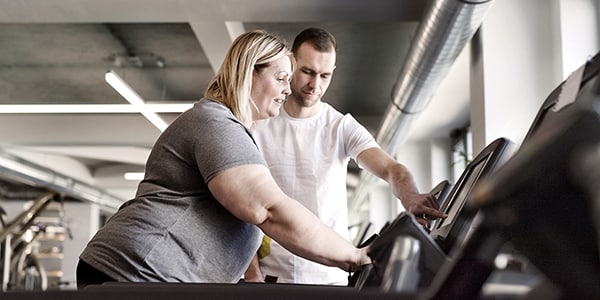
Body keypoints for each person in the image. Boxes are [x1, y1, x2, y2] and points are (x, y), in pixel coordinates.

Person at [76, 30, 371, 289]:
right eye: (281, 78)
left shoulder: (231, 130)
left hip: (153, 274)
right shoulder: (217, 125)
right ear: (248, 74)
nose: (287, 88)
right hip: (136, 271)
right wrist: (353, 256)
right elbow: (269, 210)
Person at [244, 27, 446, 285]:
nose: (315, 85)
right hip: (272, 276)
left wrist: (411, 195)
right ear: (291, 63)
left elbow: (391, 169)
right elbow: (242, 207)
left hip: (331, 276)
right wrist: (252, 274)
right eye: (307, 71)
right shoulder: (258, 124)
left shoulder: (340, 126)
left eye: (324, 75)